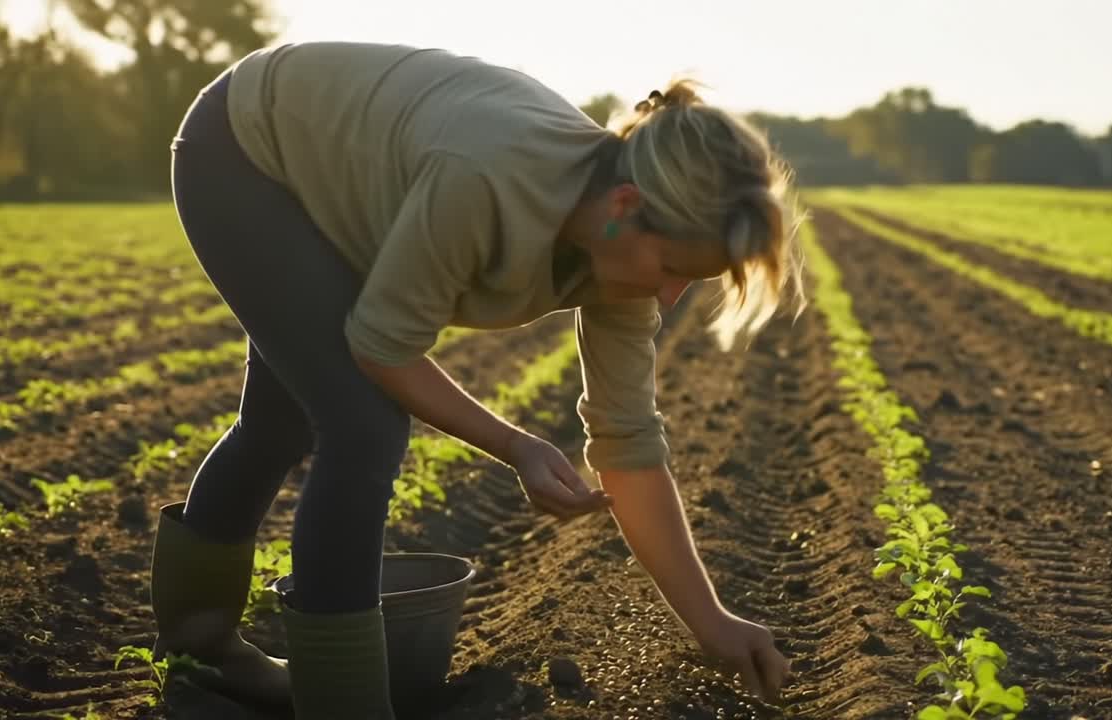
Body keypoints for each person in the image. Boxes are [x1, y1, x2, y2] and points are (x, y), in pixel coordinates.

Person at [155, 40, 806, 719]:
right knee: (362, 426)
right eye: (671, 266)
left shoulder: (620, 270)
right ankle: (329, 700)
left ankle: (202, 653)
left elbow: (629, 446)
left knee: (286, 420)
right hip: (246, 148)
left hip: (360, 190)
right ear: (623, 205)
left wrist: (712, 622)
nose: (669, 297)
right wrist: (519, 446)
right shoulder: (488, 177)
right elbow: (384, 350)